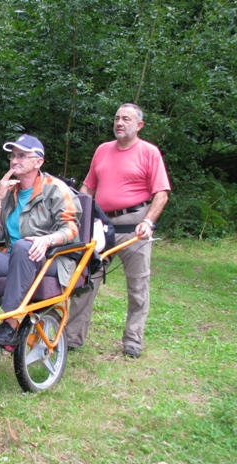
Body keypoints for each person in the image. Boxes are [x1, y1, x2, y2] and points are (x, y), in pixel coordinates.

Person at [0, 134, 81, 346]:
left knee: (23, 246)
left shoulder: (55, 189)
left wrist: (47, 240)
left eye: (22, 155)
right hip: (14, 256)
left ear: (38, 162)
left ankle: (10, 324)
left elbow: (72, 228)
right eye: (12, 156)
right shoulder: (11, 191)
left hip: (50, 259)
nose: (14, 161)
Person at [65, 103, 170, 358]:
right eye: (117, 118)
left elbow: (161, 193)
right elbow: (88, 189)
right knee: (86, 279)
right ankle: (71, 338)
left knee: (137, 286)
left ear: (139, 125)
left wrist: (149, 221)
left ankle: (133, 341)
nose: (120, 123)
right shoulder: (102, 150)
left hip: (135, 227)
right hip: (102, 225)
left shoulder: (149, 152)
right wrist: (79, 216)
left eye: (126, 119)